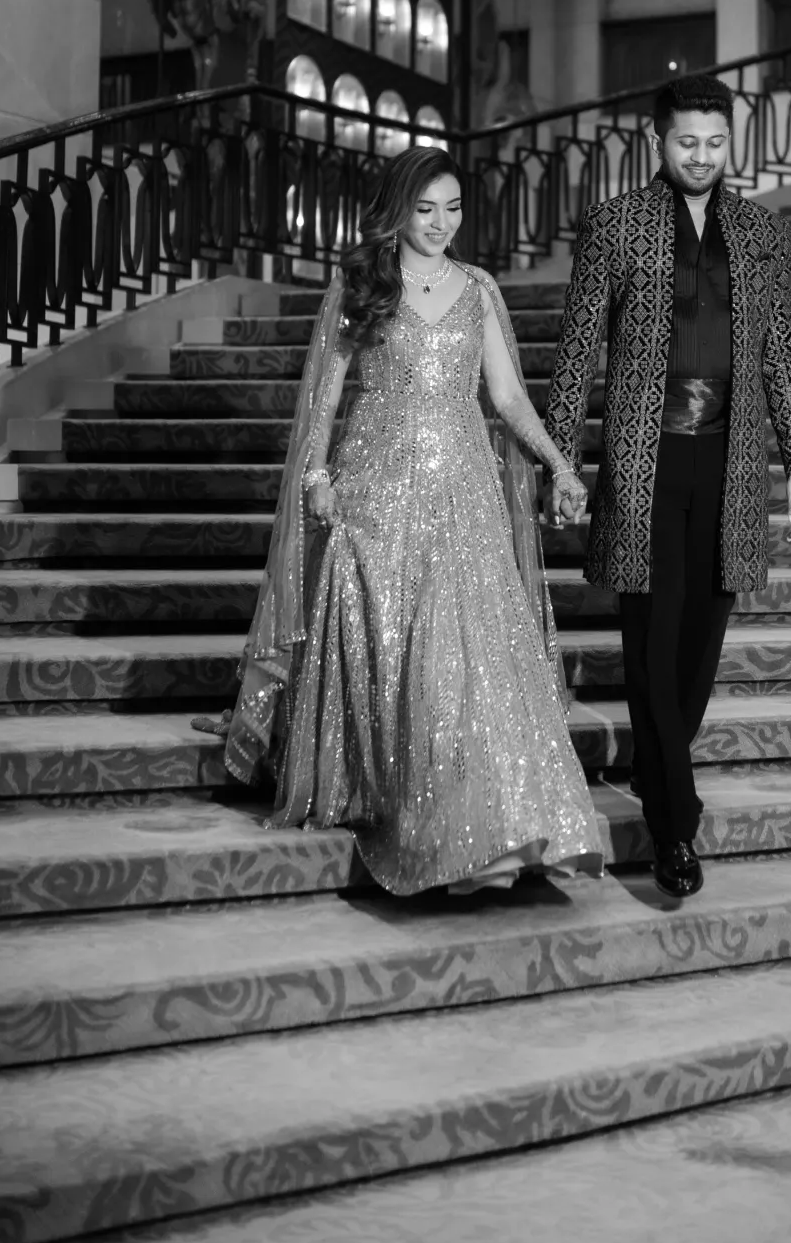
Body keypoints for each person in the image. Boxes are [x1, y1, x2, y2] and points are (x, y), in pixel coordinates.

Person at [215, 145, 603, 897]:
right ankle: (419, 815)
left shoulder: (479, 289)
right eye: (425, 209)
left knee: (470, 660)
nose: (440, 223)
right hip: (377, 488)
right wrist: (318, 476)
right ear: (397, 209)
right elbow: (325, 396)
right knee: (400, 655)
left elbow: (508, 398)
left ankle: (499, 829)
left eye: (453, 208)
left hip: (463, 490)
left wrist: (560, 464)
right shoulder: (363, 282)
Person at [544, 73, 791, 900]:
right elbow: (578, 347)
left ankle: (659, 768)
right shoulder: (617, 223)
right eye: (687, 141)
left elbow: (780, 350)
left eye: (715, 142)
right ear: (657, 141)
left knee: (701, 641)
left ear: (731, 143)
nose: (702, 156)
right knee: (652, 637)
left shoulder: (760, 231)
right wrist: (562, 460)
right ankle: (675, 825)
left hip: (731, 463)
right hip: (645, 460)